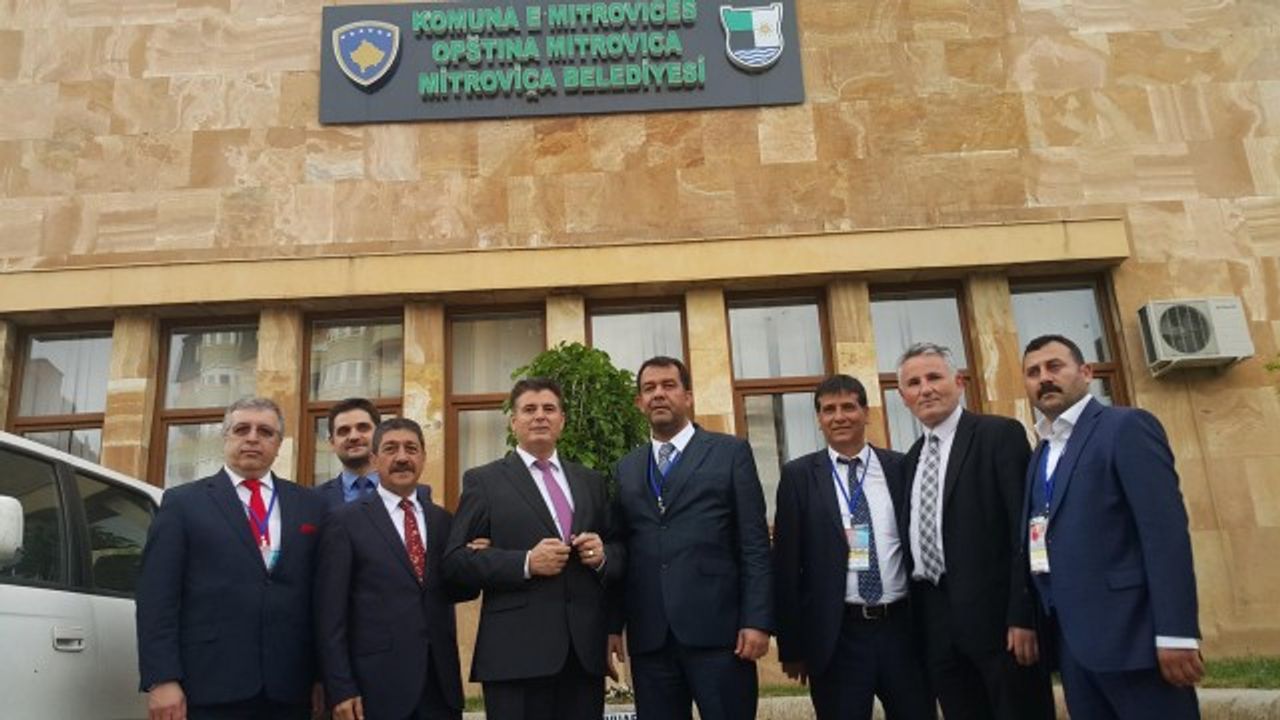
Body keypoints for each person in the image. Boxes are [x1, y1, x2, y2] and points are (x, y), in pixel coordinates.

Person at [1021, 334, 1202, 719]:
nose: (1044, 378)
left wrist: (1176, 633)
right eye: (1033, 372)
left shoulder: (1125, 427)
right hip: (1073, 648)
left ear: (1086, 372)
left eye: (1055, 366)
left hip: (1135, 641)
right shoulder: (1042, 451)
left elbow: (1164, 534)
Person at [136, 397, 327, 720]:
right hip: (209, 685)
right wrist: (162, 678)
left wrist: (321, 676)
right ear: (225, 437)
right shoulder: (183, 503)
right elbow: (157, 597)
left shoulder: (310, 505)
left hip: (290, 688)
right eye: (242, 429)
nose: (252, 438)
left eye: (265, 431)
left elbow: (320, 597)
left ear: (278, 444)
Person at [443, 378, 622, 720]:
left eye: (549, 409)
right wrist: (525, 562)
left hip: (582, 658)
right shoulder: (484, 481)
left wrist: (604, 556)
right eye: (529, 409)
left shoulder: (591, 481)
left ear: (562, 420)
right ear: (514, 422)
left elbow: (619, 551)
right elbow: (455, 563)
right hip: (515, 657)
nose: (540, 416)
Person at [608, 356, 773, 720]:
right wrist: (613, 625)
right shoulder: (627, 468)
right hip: (651, 640)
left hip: (722, 636)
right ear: (639, 402)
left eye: (668, 385)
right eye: (649, 388)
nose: (658, 394)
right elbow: (622, 549)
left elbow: (754, 544)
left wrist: (757, 620)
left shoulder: (730, 453)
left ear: (688, 396)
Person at [895, 343, 1054, 720]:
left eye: (934, 377)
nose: (925, 389)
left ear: (959, 382)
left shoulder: (999, 435)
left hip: (999, 624)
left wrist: (1024, 616)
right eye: (914, 383)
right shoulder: (911, 458)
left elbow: (1025, 531)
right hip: (936, 623)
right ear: (903, 397)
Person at [774, 374, 935, 720]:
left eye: (848, 407)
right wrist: (792, 647)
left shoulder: (901, 467)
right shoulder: (799, 476)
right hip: (837, 636)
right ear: (819, 419)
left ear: (866, 412)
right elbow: (786, 565)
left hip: (902, 631)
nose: (839, 417)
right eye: (828, 409)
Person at [314, 417, 477, 720]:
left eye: (411, 449)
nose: (402, 457)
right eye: (390, 449)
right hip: (376, 689)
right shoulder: (345, 522)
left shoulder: (443, 521)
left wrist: (475, 561)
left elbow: (453, 590)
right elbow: (330, 615)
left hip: (439, 688)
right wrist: (341, 688)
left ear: (423, 457)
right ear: (374, 459)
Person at [314, 398, 382, 510]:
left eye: (363, 428)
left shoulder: (405, 492)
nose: (353, 437)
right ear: (332, 443)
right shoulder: (313, 500)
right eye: (344, 431)